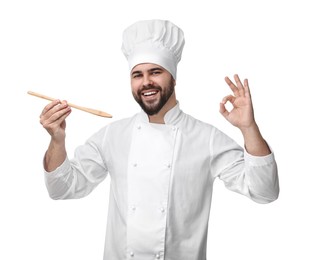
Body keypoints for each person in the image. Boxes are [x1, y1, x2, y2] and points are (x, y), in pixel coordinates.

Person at [40, 19, 279, 260]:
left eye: (156, 72)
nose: (146, 82)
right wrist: (57, 141)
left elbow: (264, 192)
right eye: (137, 75)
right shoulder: (112, 136)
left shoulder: (206, 138)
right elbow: (62, 189)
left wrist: (249, 128)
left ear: (173, 78)